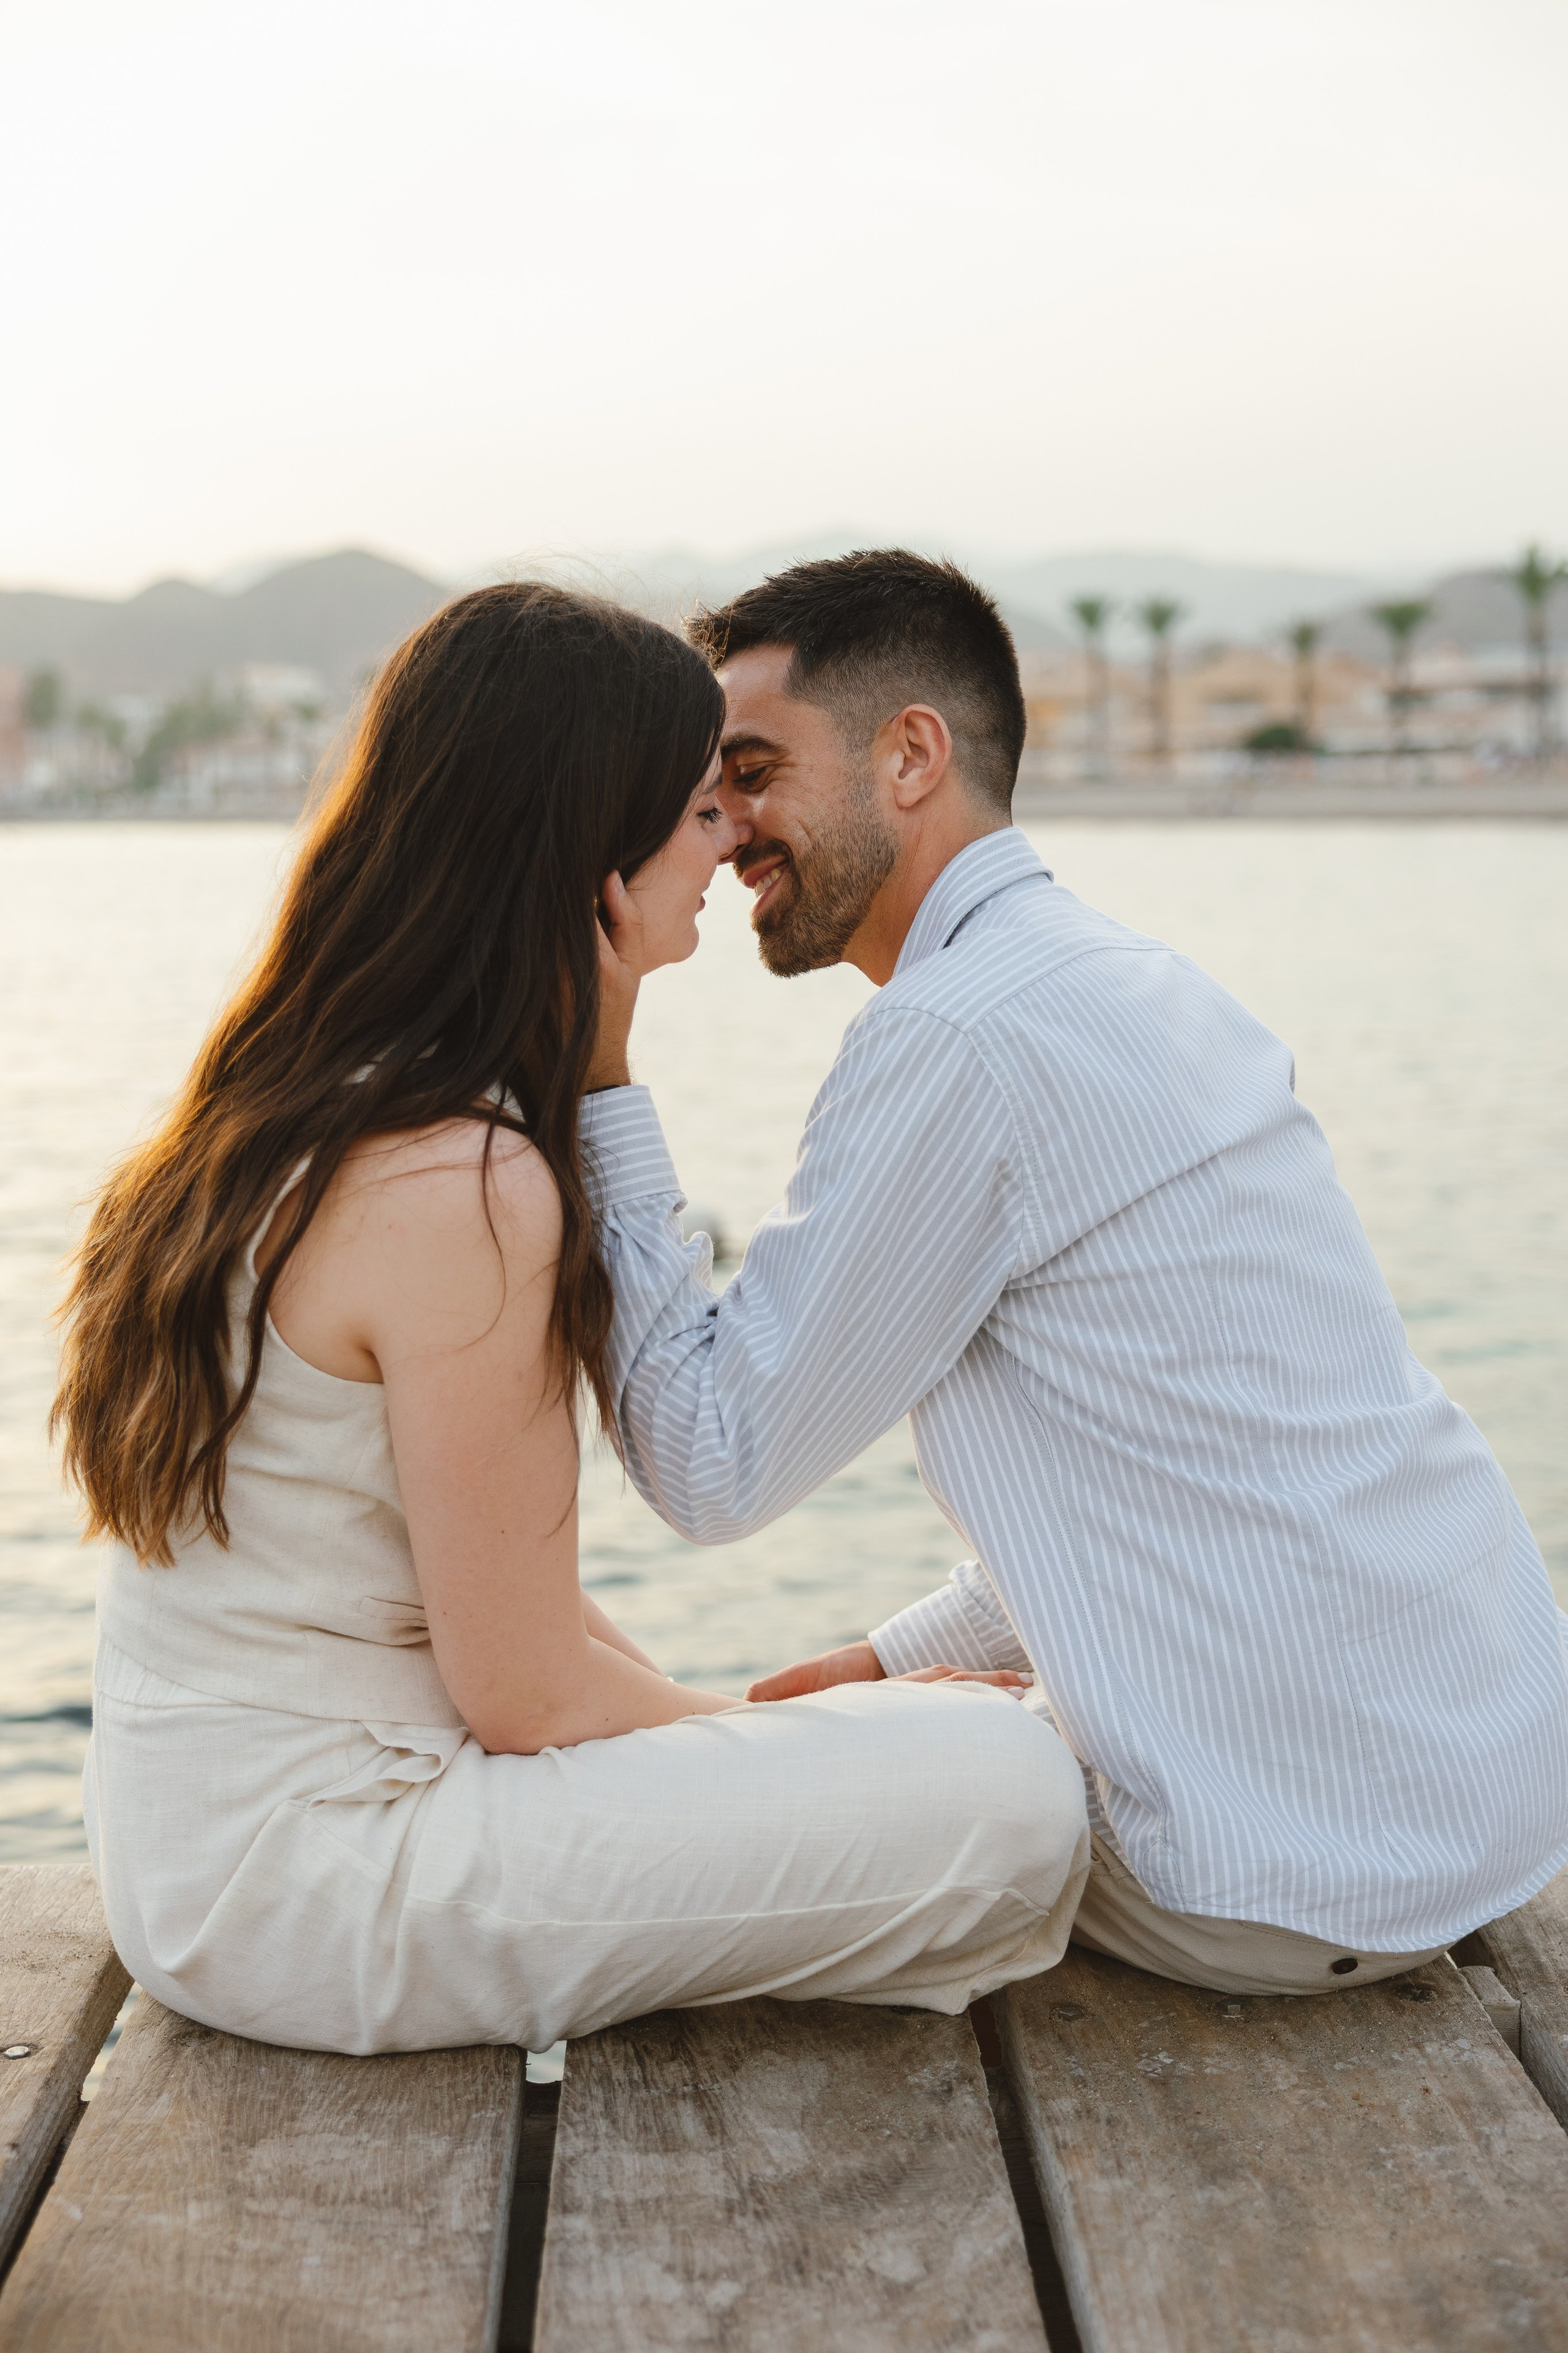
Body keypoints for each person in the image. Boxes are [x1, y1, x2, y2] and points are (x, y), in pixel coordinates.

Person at [55, 582, 1091, 2057]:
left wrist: (757, 1738)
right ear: (582, 854)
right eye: (693, 808)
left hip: (213, 1862)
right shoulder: (460, 1180)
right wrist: (786, 1746)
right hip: (321, 1888)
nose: (727, 840)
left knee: (939, 1742)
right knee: (1017, 1791)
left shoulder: (313, 1103)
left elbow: (498, 1607)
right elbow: (526, 1688)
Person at [585, 548, 1568, 2000]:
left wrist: (601, 1074)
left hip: (1275, 1875)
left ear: (908, 755)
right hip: (1474, 1801)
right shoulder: (1141, 984)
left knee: (667, 1836)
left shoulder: (951, 1036)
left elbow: (708, 1455)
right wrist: (892, 1654)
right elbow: (1194, 1451)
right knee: (864, 1725)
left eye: (752, 770)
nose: (724, 830)